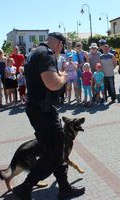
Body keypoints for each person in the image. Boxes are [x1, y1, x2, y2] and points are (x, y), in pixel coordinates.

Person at [12, 32, 85, 200]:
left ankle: (65, 188)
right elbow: (52, 84)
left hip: (38, 109)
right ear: (59, 44)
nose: (60, 51)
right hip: (43, 110)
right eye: (62, 48)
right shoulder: (47, 54)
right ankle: (24, 188)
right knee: (54, 152)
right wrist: (64, 77)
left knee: (53, 150)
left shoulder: (36, 52)